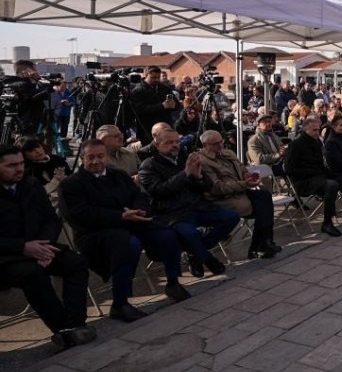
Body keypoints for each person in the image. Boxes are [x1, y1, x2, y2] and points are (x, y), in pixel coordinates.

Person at [60, 140, 191, 321]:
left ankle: (173, 282)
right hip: (96, 232)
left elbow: (139, 196)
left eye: (100, 156)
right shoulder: (71, 184)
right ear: (82, 158)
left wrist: (138, 210)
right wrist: (120, 216)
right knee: (130, 245)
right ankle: (120, 303)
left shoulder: (118, 175)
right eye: (90, 157)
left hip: (131, 223)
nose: (96, 161)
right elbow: (80, 214)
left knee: (167, 234)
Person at [0, 145, 97, 348]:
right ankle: (62, 329)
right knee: (33, 275)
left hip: (41, 247)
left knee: (76, 263)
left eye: (21, 164)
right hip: (9, 257)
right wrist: (24, 247)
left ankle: (74, 325)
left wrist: (43, 246)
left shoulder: (31, 184)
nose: (19, 169)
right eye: (11, 166)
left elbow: (51, 220)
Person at [138, 128, 239, 277]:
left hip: (197, 207)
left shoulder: (184, 158)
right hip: (172, 213)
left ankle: (196, 253)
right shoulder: (148, 166)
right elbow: (159, 191)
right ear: (157, 144)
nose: (175, 145)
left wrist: (198, 177)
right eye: (169, 142)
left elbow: (208, 186)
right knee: (190, 234)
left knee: (231, 217)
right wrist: (185, 174)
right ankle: (207, 258)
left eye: (177, 141)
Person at [197, 130, 281, 259]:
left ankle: (263, 243)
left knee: (264, 196)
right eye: (215, 144)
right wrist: (244, 183)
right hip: (222, 198)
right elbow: (218, 188)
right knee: (262, 208)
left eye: (221, 142)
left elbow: (242, 169)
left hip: (240, 190)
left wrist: (249, 177)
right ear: (205, 145)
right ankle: (261, 244)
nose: (220, 146)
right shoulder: (203, 161)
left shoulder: (228, 153)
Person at [283, 115, 342, 236]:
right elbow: (290, 169)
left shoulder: (315, 143)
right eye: (314, 130)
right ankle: (327, 223)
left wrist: (331, 173)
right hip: (303, 182)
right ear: (305, 130)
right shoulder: (296, 145)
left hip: (318, 178)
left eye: (318, 129)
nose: (317, 132)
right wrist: (315, 172)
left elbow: (320, 165)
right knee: (332, 186)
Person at [130, 66, 182, 145]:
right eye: (153, 77)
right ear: (146, 75)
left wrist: (174, 105)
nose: (156, 80)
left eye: (158, 77)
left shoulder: (164, 88)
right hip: (147, 129)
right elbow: (139, 110)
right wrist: (161, 106)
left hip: (165, 126)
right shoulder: (138, 90)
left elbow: (177, 105)